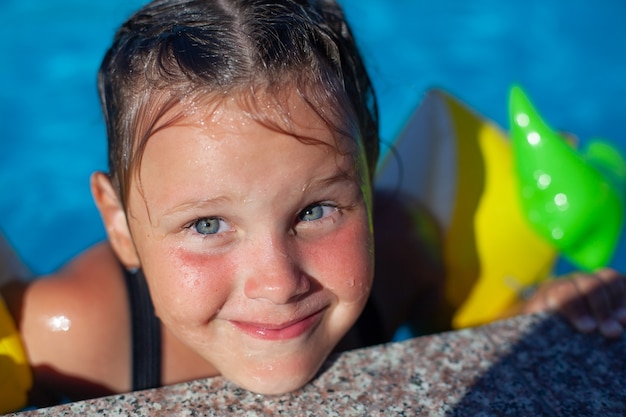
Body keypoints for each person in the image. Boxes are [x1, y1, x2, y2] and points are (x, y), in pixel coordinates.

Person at [1, 0, 625, 410]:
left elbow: (464, 332)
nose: (277, 283)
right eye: (207, 224)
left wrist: (537, 315)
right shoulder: (73, 336)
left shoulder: (406, 250)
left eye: (315, 211)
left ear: (366, 173)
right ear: (120, 223)